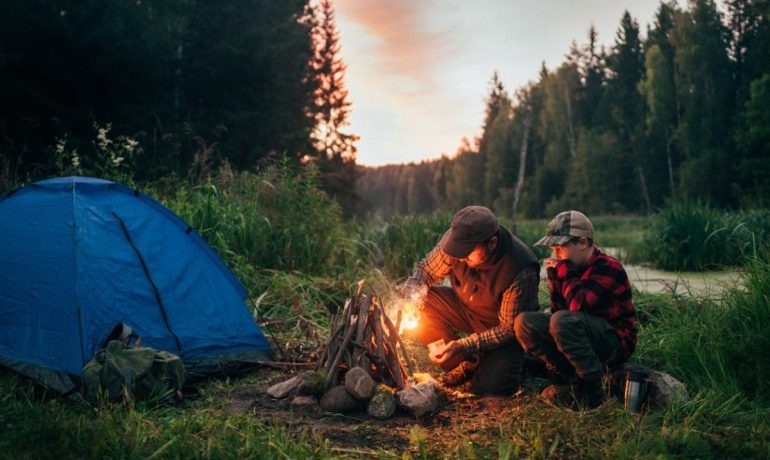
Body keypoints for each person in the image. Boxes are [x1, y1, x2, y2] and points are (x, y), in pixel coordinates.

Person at [401, 205, 540, 395]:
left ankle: (524, 361)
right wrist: (411, 295)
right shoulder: (457, 242)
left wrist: (465, 345)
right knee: (425, 302)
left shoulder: (519, 268)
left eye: (468, 252)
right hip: (466, 309)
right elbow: (426, 270)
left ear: (492, 242)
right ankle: (461, 362)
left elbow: (508, 329)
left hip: (500, 330)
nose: (461, 256)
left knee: (491, 387)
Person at [514, 210, 637, 409]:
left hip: (614, 342)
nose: (555, 256)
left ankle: (592, 388)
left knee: (563, 321)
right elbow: (558, 311)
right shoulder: (569, 267)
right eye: (553, 249)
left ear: (582, 243)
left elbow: (577, 307)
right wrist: (555, 278)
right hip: (581, 332)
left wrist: (563, 270)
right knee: (524, 322)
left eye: (560, 249)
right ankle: (566, 377)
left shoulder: (608, 267)